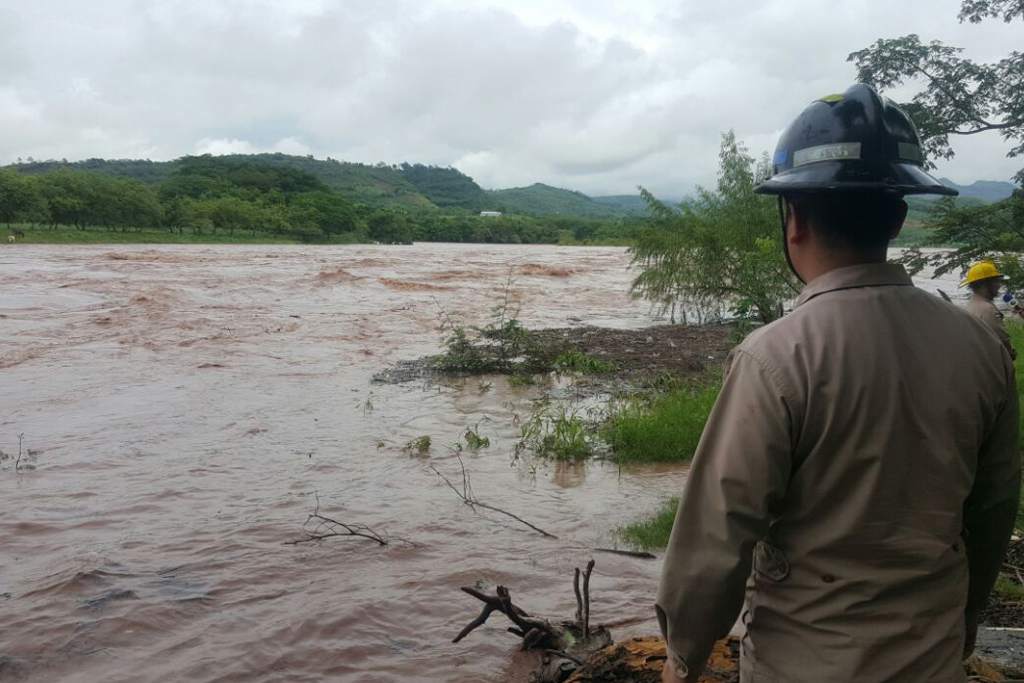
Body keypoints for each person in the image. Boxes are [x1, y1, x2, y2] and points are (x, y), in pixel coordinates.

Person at [656, 83, 1020, 683]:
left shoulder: (774, 356)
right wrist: (966, 622)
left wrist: (683, 657)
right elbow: (991, 511)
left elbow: (718, 535)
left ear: (793, 219)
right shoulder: (983, 347)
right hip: (931, 663)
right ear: (899, 216)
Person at [963, 260, 1016, 359]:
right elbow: (1002, 339)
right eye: (996, 281)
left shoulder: (968, 306)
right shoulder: (988, 309)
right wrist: (1011, 353)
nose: (999, 285)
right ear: (984, 285)